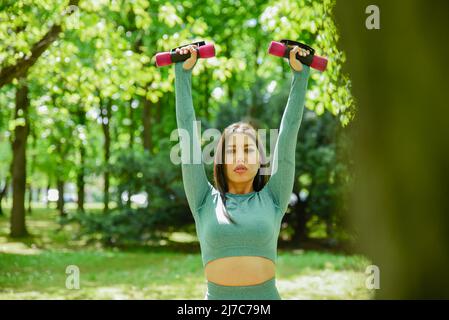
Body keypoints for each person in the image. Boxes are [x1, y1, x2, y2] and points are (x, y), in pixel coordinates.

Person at [173, 43, 310, 299]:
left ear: (261, 159)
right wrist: (183, 74)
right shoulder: (203, 200)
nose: (240, 158)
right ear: (220, 160)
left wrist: (300, 76)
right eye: (231, 150)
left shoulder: (273, 198)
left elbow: (289, 131)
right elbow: (187, 133)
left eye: (248, 150)